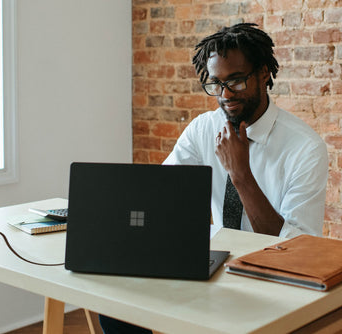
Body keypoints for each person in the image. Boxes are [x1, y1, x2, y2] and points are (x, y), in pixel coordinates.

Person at [99, 23, 328, 334]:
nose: (225, 95)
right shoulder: (203, 129)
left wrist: (241, 175)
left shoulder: (304, 148)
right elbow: (160, 193)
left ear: (263, 74)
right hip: (214, 265)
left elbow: (296, 250)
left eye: (235, 80)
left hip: (271, 278)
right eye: (216, 83)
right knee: (116, 307)